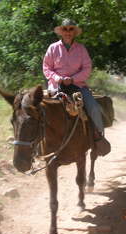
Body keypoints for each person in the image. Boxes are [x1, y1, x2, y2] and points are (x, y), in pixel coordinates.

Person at [43, 18, 110, 156]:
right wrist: (58, 78)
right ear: (61, 32)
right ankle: (38, 143)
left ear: (74, 32)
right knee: (42, 110)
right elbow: (47, 68)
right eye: (65, 29)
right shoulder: (53, 48)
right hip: (57, 86)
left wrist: (73, 79)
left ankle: (97, 137)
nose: (68, 32)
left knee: (94, 108)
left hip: (78, 86)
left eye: (71, 29)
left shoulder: (81, 49)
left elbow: (87, 68)